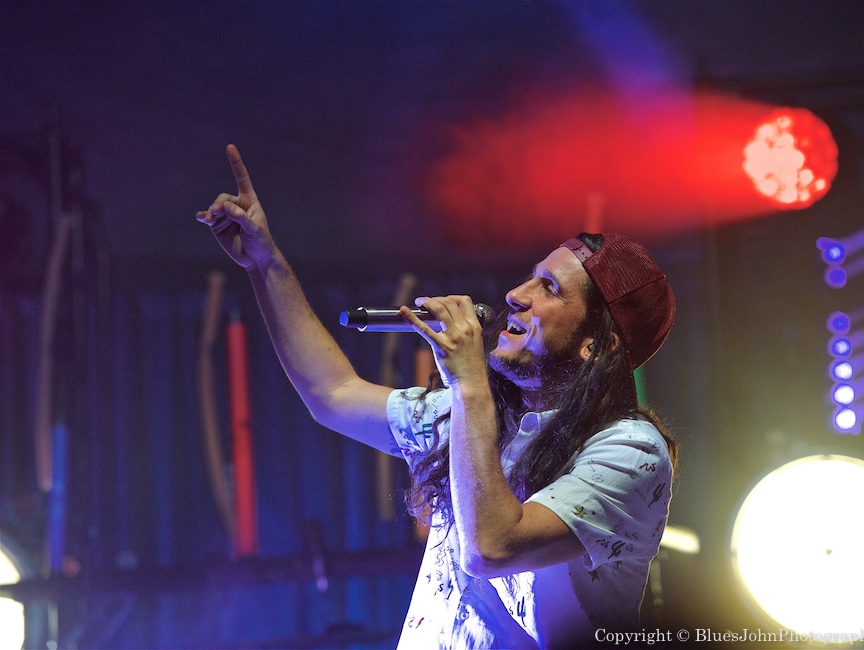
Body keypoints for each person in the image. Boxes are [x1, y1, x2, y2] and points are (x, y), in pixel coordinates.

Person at [197, 144, 677, 649]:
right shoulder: (478, 414)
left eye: (550, 288)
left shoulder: (630, 451)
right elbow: (333, 394)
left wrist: (467, 383)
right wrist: (264, 263)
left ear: (595, 344)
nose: (517, 294)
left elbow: (493, 548)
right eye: (531, 276)